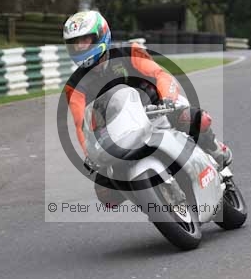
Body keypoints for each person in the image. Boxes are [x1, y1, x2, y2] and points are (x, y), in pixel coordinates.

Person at [62, 10, 233, 173]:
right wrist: (89, 153)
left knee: (196, 119)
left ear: (101, 35)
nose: (80, 47)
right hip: (121, 131)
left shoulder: (129, 51)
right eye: (75, 43)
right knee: (105, 189)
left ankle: (216, 150)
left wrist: (168, 99)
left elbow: (160, 74)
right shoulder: (74, 85)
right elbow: (81, 125)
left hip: (158, 108)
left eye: (85, 40)